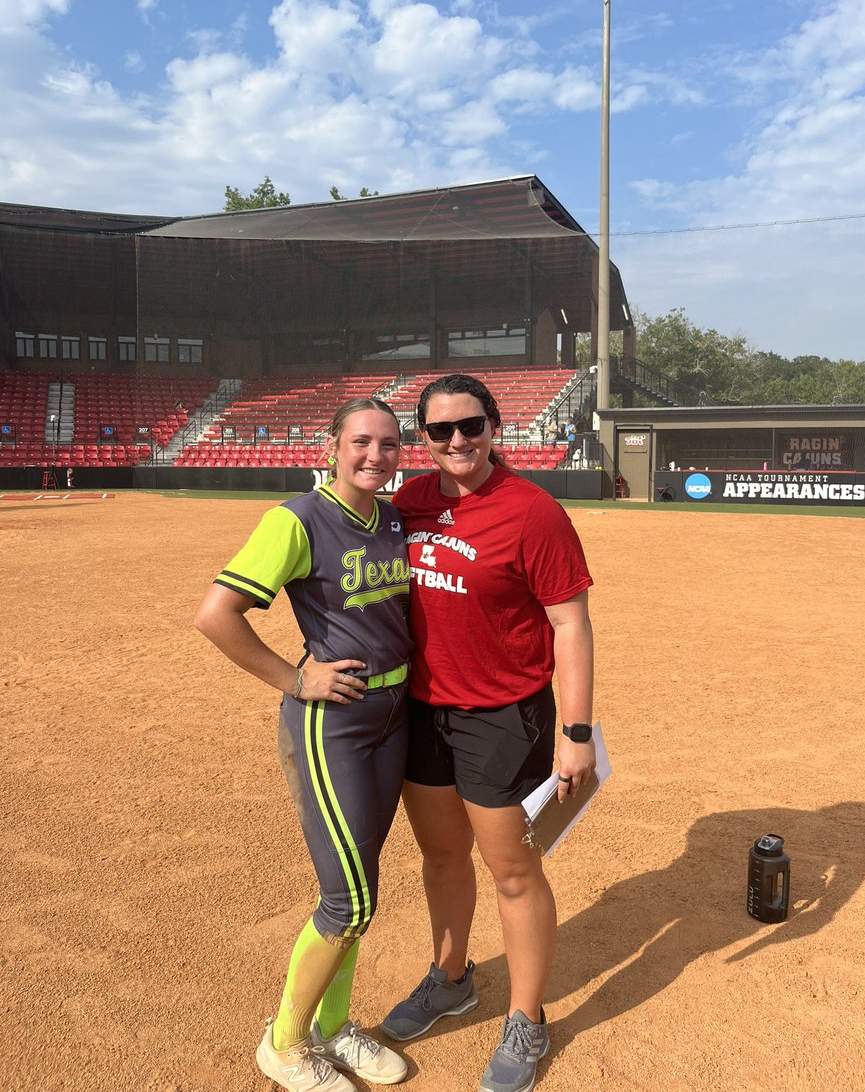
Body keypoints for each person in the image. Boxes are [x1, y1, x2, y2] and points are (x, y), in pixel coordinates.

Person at [381, 374, 596, 1092]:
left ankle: (527, 1018)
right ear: (424, 439)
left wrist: (576, 731)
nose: (456, 442)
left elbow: (570, 624)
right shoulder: (409, 503)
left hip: (505, 715)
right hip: (424, 711)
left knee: (512, 872)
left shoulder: (532, 511)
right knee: (442, 858)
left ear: (496, 427)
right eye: (439, 431)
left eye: (469, 425)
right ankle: (451, 980)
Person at [194, 398, 412, 1092]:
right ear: (330, 446)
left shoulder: (393, 518)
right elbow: (215, 616)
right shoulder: (297, 519)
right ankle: (284, 1043)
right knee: (347, 897)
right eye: (360, 442)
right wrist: (295, 678)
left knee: (363, 884)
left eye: (387, 444)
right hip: (335, 722)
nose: (374, 455)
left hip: (394, 715)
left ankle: (331, 1025)